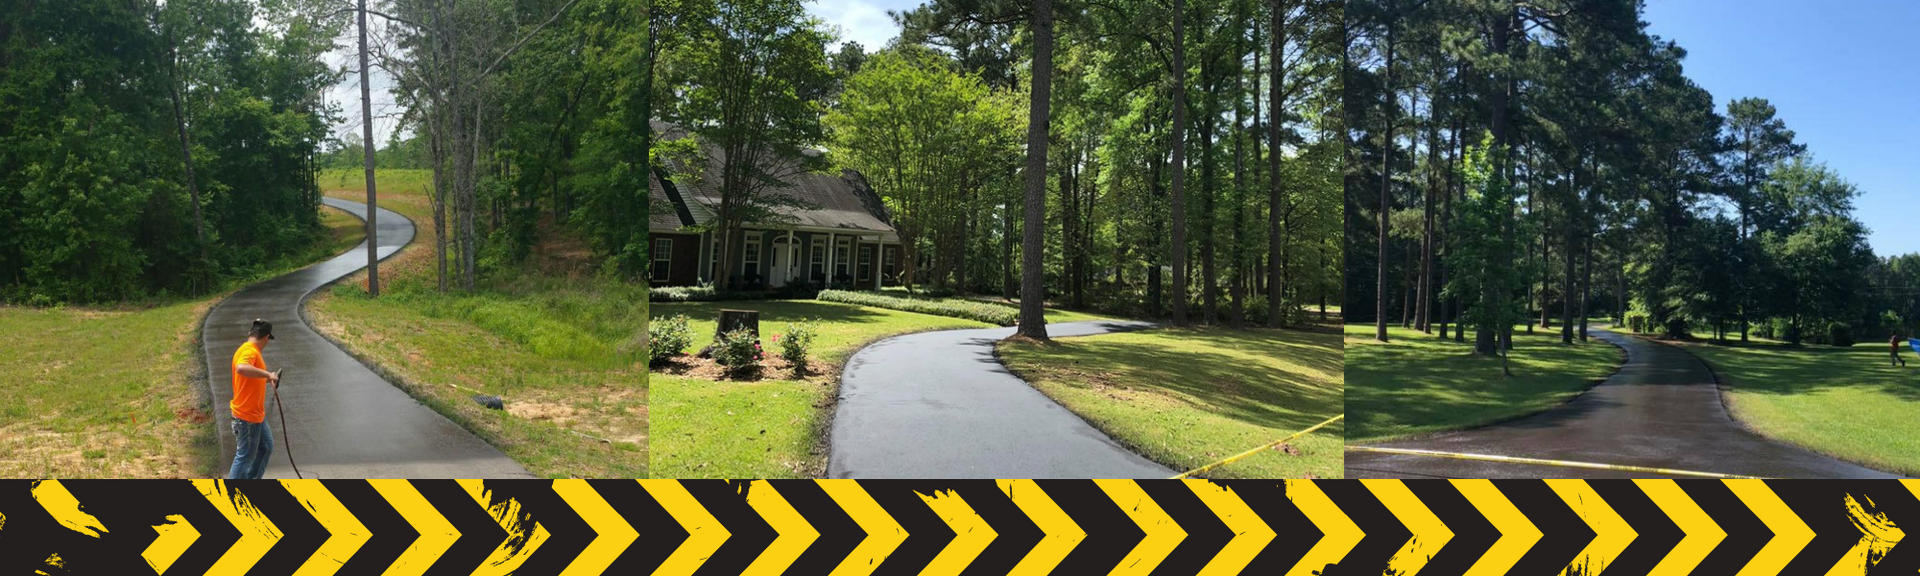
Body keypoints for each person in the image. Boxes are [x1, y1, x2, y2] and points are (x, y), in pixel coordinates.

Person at [229, 319, 282, 480]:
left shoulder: (245, 349)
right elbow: (241, 368)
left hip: (256, 414)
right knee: (245, 457)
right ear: (266, 337)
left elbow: (248, 377)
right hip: (247, 417)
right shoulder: (250, 352)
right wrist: (267, 374)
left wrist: (268, 379)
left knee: (266, 447)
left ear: (250, 334)